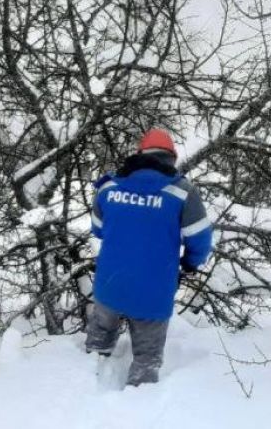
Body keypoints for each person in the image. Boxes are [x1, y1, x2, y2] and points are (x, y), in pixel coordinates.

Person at [86, 129, 213, 386]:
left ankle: (86, 382)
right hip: (152, 294)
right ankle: (138, 405)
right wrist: (189, 263)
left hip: (110, 284)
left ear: (139, 154)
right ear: (171, 158)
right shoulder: (182, 192)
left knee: (98, 343)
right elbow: (199, 240)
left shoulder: (108, 187)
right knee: (147, 358)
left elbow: (98, 229)